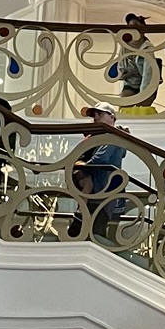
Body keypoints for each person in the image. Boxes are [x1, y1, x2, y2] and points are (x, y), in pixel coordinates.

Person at [72, 103, 130, 240]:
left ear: (112, 116)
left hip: (102, 190)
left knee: (96, 232)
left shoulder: (112, 136)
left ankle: (79, 218)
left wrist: (82, 167)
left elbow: (101, 159)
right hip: (101, 190)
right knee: (95, 231)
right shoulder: (102, 137)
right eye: (94, 115)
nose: (95, 118)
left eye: (100, 114)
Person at [115, 13, 158, 117]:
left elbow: (148, 74)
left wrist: (143, 95)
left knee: (141, 112)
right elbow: (120, 66)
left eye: (135, 25)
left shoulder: (147, 48)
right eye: (130, 26)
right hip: (130, 83)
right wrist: (123, 73)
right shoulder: (125, 46)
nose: (132, 29)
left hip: (147, 85)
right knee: (124, 109)